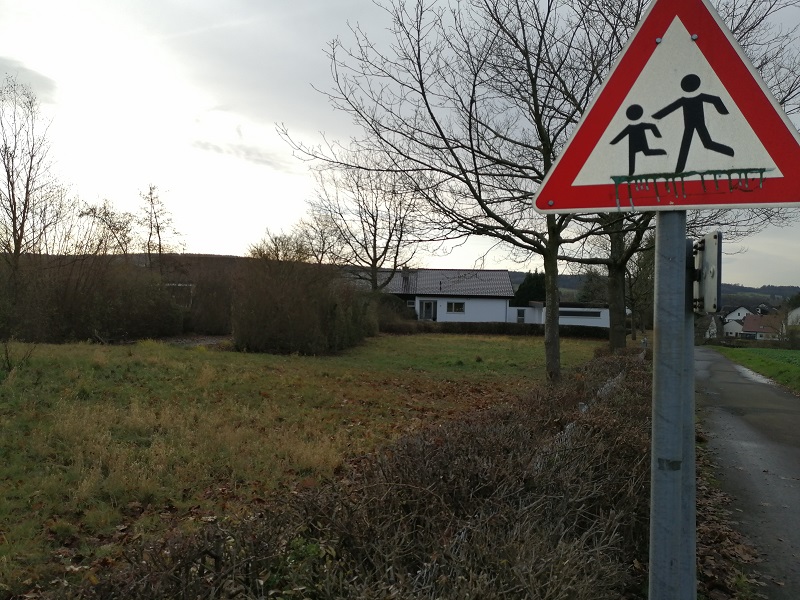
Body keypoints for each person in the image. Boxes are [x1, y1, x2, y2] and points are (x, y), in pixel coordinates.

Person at [652, 74, 734, 173]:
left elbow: (715, 100)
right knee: (694, 144)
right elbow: (669, 108)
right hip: (690, 125)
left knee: (703, 144)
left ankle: (729, 151)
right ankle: (679, 169)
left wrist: (723, 111)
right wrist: (657, 116)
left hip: (698, 123)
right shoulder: (688, 99)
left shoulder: (693, 98)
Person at [610, 104, 667, 176]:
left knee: (644, 153)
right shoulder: (631, 127)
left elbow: (652, 126)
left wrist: (657, 135)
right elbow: (621, 136)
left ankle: (662, 152)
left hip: (640, 143)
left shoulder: (632, 127)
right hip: (633, 145)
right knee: (635, 156)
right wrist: (612, 143)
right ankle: (631, 172)